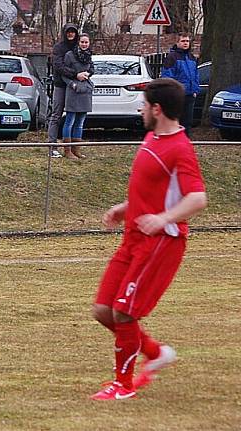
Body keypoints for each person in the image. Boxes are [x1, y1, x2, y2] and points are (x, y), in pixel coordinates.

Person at [90, 78, 207, 401]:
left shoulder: (180, 149)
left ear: (157, 109)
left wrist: (164, 219)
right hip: (133, 238)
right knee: (103, 310)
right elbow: (153, 192)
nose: (140, 109)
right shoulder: (151, 138)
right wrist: (125, 209)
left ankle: (123, 384)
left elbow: (197, 198)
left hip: (160, 243)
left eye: (144, 104)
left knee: (124, 313)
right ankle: (155, 353)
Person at [48, 23, 86, 158]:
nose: (71, 34)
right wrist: (75, 74)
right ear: (65, 33)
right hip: (61, 85)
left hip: (75, 86)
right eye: (68, 32)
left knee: (75, 117)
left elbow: (85, 63)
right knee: (56, 115)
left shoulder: (78, 47)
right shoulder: (59, 47)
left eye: (73, 32)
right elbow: (58, 66)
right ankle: (52, 146)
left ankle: (73, 149)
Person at [61, 33, 94, 159]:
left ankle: (76, 149)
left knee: (80, 122)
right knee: (70, 121)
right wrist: (72, 84)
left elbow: (92, 70)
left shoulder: (89, 56)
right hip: (73, 91)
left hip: (85, 90)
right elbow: (64, 74)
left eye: (86, 42)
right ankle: (67, 150)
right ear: (78, 43)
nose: (84, 44)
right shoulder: (70, 55)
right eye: (82, 42)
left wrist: (87, 75)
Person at [161, 32, 199, 137]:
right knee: (176, 121)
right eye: (183, 41)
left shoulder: (192, 57)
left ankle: (185, 141)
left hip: (190, 94)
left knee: (188, 121)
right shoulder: (172, 57)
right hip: (177, 95)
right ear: (177, 42)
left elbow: (196, 75)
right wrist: (172, 92)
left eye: (187, 41)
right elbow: (167, 76)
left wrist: (195, 90)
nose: (185, 43)